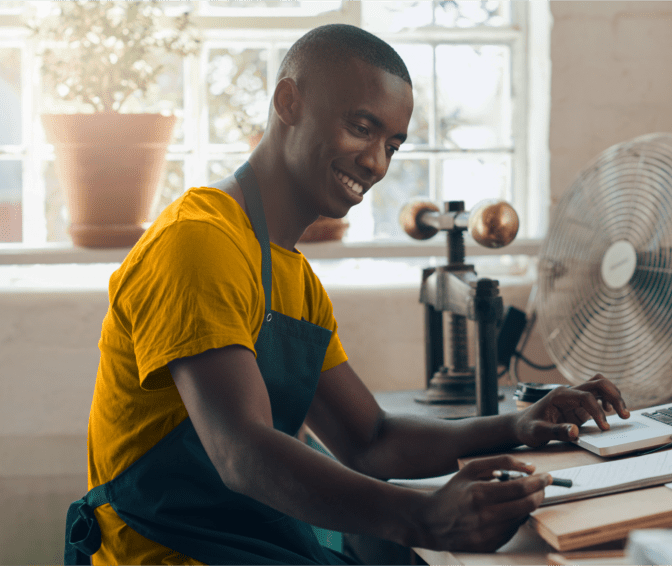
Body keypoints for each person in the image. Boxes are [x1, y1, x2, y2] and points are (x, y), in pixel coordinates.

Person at [65, 24, 629, 566]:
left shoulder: (295, 279)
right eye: (361, 128)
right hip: (171, 553)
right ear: (289, 103)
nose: (377, 163)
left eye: (393, 144)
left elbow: (369, 440)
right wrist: (423, 516)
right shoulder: (200, 242)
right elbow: (243, 454)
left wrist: (518, 424)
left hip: (249, 544)